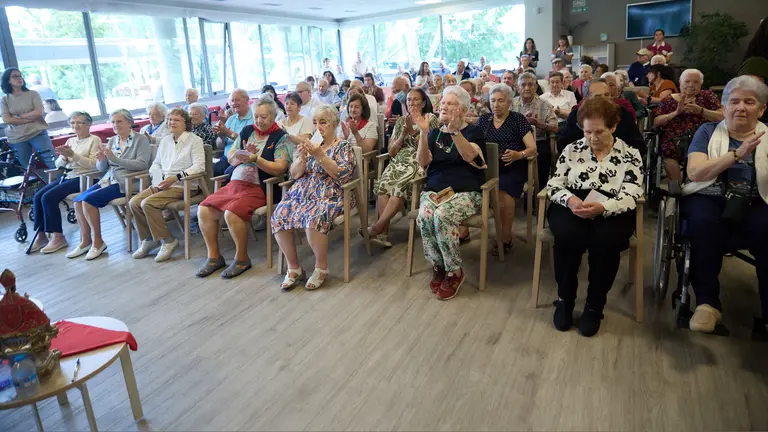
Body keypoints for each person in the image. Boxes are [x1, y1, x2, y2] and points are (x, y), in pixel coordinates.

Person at [547, 97, 643, 337]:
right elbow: (554, 184)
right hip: (574, 201)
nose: (592, 138)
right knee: (567, 236)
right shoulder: (572, 149)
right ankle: (565, 299)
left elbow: (632, 192)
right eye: (587, 131)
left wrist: (603, 207)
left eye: (599, 132)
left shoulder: (630, 154)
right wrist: (570, 200)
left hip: (612, 205)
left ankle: (594, 306)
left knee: (606, 241)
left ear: (613, 126)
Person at [682, 76, 768, 336]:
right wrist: (737, 154)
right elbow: (695, 172)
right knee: (702, 223)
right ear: (724, 106)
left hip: (757, 199)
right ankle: (707, 304)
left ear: (761, 109)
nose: (740, 107)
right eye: (734, 101)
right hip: (709, 195)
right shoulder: (707, 132)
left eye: (749, 102)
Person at [197, 98, 294, 279]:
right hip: (235, 182)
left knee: (232, 213)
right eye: (256, 116)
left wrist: (255, 159)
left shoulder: (281, 137)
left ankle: (241, 258)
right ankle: (214, 256)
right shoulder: (247, 131)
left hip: (262, 187)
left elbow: (280, 168)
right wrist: (240, 156)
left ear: (273, 116)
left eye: (264, 117)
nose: (259, 121)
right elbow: (231, 155)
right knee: (204, 209)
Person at [272, 105, 356, 291]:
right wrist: (302, 158)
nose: (318, 127)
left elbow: (342, 175)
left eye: (323, 122)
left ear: (334, 124)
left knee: (313, 218)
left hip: (331, 194)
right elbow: (294, 175)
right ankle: (294, 268)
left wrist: (320, 156)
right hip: (302, 193)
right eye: (315, 123)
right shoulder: (310, 144)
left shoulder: (343, 146)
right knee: (279, 215)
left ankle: (321, 268)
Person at [414, 86, 486, 301]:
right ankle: (439, 265)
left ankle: (454, 271)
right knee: (425, 215)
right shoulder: (434, 132)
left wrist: (455, 132)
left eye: (451, 103)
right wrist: (423, 133)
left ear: (463, 110)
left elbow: (472, 158)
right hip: (435, 190)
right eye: (443, 103)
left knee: (442, 215)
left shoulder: (473, 132)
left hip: (466, 192)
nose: (444, 106)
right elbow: (423, 162)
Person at [70, 109, 151, 260]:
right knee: (78, 201)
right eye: (113, 122)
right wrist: (101, 159)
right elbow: (103, 168)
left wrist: (115, 159)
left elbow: (142, 164)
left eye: (119, 121)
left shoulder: (140, 140)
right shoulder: (113, 140)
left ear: (129, 123)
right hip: (109, 179)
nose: (115, 125)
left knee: (88, 201)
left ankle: (98, 242)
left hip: (128, 181)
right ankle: (85, 241)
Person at [129, 108, 205, 263]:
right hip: (163, 184)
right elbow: (156, 163)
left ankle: (168, 240)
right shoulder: (165, 141)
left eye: (176, 120)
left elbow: (199, 166)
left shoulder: (195, 140)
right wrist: (158, 177)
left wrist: (176, 177)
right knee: (133, 203)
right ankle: (149, 239)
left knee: (148, 203)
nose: (172, 122)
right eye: (170, 119)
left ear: (186, 123)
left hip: (183, 185)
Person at [367, 88, 438, 247]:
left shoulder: (430, 118)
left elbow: (429, 147)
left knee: (399, 187)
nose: (411, 103)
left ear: (423, 103)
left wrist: (412, 132)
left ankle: (378, 227)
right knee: (383, 185)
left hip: (419, 159)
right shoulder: (400, 121)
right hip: (400, 159)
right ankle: (383, 234)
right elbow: (392, 152)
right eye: (409, 100)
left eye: (415, 99)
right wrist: (403, 134)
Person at [29, 111, 100, 254]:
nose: (75, 126)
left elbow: (94, 165)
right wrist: (64, 157)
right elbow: (58, 164)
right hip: (67, 175)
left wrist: (73, 155)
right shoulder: (71, 141)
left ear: (88, 124)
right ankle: (41, 236)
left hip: (85, 177)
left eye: (79, 123)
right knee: (37, 197)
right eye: (73, 123)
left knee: (48, 197)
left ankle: (58, 237)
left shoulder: (94, 140)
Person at [478, 84, 536, 255]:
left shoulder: (518, 119)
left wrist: (518, 155)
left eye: (500, 101)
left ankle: (505, 237)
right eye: (493, 101)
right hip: (487, 167)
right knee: (466, 184)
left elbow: (532, 148)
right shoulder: (484, 120)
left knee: (503, 192)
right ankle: (463, 232)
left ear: (509, 102)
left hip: (512, 166)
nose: (496, 105)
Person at [653, 69, 724, 182]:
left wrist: (701, 111)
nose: (691, 85)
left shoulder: (708, 96)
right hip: (674, 139)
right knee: (667, 151)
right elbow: (656, 121)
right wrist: (675, 113)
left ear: (701, 84)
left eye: (695, 82)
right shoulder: (668, 100)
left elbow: (722, 117)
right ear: (680, 83)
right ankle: (676, 186)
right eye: (687, 81)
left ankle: (700, 183)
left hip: (704, 137)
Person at [557, 79, 646, 154]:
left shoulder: (622, 113)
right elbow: (563, 145)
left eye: (607, 95)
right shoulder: (576, 115)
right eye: (598, 96)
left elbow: (638, 145)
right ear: (586, 99)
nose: (604, 99)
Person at [511, 72, 558, 191]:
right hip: (515, 141)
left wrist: (538, 124)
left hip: (538, 141)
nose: (527, 88)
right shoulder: (510, 104)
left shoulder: (545, 105)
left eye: (530, 85)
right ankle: (514, 189)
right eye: (523, 85)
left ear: (536, 87)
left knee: (543, 155)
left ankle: (539, 192)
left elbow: (555, 127)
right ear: (518, 88)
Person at [0, 68, 56, 169]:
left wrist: (18, 116)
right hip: (17, 137)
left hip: (37, 133)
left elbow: (38, 113)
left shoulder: (33, 94)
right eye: (15, 76)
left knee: (52, 161)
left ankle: (63, 179)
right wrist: (28, 119)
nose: (19, 78)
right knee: (27, 167)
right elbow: (7, 120)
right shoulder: (4, 99)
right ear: (8, 80)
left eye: (20, 75)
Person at [213, 89, 253, 176]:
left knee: (229, 172)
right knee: (211, 168)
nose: (234, 103)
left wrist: (227, 132)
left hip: (242, 159)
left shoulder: (254, 117)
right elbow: (220, 146)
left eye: (237, 100)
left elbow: (245, 141)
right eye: (232, 101)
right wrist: (221, 136)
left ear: (246, 100)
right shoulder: (231, 119)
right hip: (226, 157)